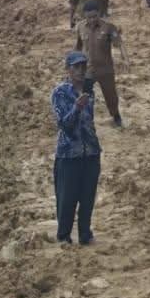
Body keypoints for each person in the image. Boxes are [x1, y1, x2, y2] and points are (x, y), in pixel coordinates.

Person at [50, 51, 101, 245]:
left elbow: (90, 121)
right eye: (76, 67)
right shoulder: (60, 92)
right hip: (69, 154)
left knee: (88, 197)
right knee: (67, 199)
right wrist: (77, 108)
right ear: (68, 69)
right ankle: (64, 236)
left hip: (91, 151)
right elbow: (64, 125)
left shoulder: (89, 91)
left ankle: (85, 234)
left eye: (83, 66)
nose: (80, 70)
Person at [74, 2, 125, 127]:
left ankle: (116, 116)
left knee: (111, 95)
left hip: (105, 70)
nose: (92, 19)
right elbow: (78, 46)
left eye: (95, 16)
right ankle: (86, 120)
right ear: (85, 16)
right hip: (88, 70)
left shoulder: (108, 27)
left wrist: (126, 59)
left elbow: (119, 44)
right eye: (89, 17)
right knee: (85, 95)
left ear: (99, 14)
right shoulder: (80, 27)